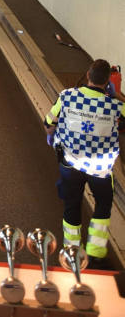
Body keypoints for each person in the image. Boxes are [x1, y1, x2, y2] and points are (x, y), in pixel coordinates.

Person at [45, 59, 124, 268]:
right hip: (100, 171)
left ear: (88, 74)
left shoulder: (67, 96)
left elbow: (48, 123)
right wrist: (116, 96)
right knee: (104, 204)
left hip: (71, 165)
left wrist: (51, 136)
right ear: (108, 81)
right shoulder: (116, 106)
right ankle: (96, 251)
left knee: (72, 206)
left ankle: (72, 252)